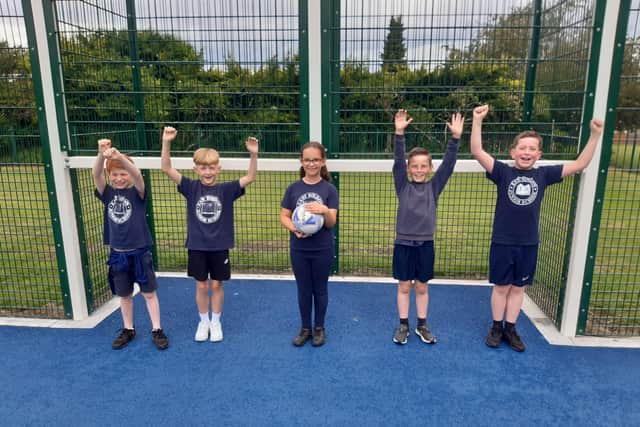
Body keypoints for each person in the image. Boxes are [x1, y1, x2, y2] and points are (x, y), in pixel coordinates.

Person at [471, 104, 604, 352]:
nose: (527, 151)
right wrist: (477, 121)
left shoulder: (544, 175)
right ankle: (497, 326)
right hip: (503, 241)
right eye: (523, 147)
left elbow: (580, 163)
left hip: (529, 243)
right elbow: (477, 151)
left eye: (532, 148)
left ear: (539, 155)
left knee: (518, 288)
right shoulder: (502, 172)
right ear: (513, 152)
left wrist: (595, 135)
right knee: (501, 287)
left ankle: (511, 328)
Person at [161, 126, 258, 342]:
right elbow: (166, 168)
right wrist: (167, 142)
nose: (207, 172)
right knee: (201, 284)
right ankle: (203, 321)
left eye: (211, 168)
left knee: (216, 284)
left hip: (219, 245)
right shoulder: (190, 187)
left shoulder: (226, 190)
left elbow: (250, 177)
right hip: (197, 245)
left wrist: (253, 153)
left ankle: (216, 321)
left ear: (218, 169)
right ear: (196, 169)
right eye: (203, 168)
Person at [391, 109, 464, 345]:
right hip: (403, 243)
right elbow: (398, 160)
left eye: (424, 166)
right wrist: (399, 133)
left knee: (421, 287)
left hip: (425, 245)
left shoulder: (434, 187)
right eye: (415, 166)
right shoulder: (403, 185)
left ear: (430, 168)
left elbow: (449, 165)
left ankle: (422, 324)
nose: (419, 170)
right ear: (409, 169)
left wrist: (455, 139)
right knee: (404, 285)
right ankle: (403, 325)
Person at [93, 139, 169, 350]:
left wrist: (120, 159)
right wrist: (102, 154)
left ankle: (157, 329)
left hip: (140, 252)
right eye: (115, 174)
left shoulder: (137, 192)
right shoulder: (107, 193)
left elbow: (137, 175)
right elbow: (96, 175)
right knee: (124, 295)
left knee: (149, 293)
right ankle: (128, 328)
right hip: (118, 254)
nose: (119, 178)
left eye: (122, 173)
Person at [281, 142, 338, 347]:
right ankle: (305, 328)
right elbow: (284, 216)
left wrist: (324, 210)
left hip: (322, 248)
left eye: (315, 159)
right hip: (299, 248)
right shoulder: (294, 188)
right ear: (301, 161)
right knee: (304, 289)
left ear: (322, 161)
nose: (311, 163)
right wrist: (295, 229)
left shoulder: (329, 189)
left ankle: (319, 328)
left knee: (320, 289)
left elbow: (331, 223)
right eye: (307, 160)